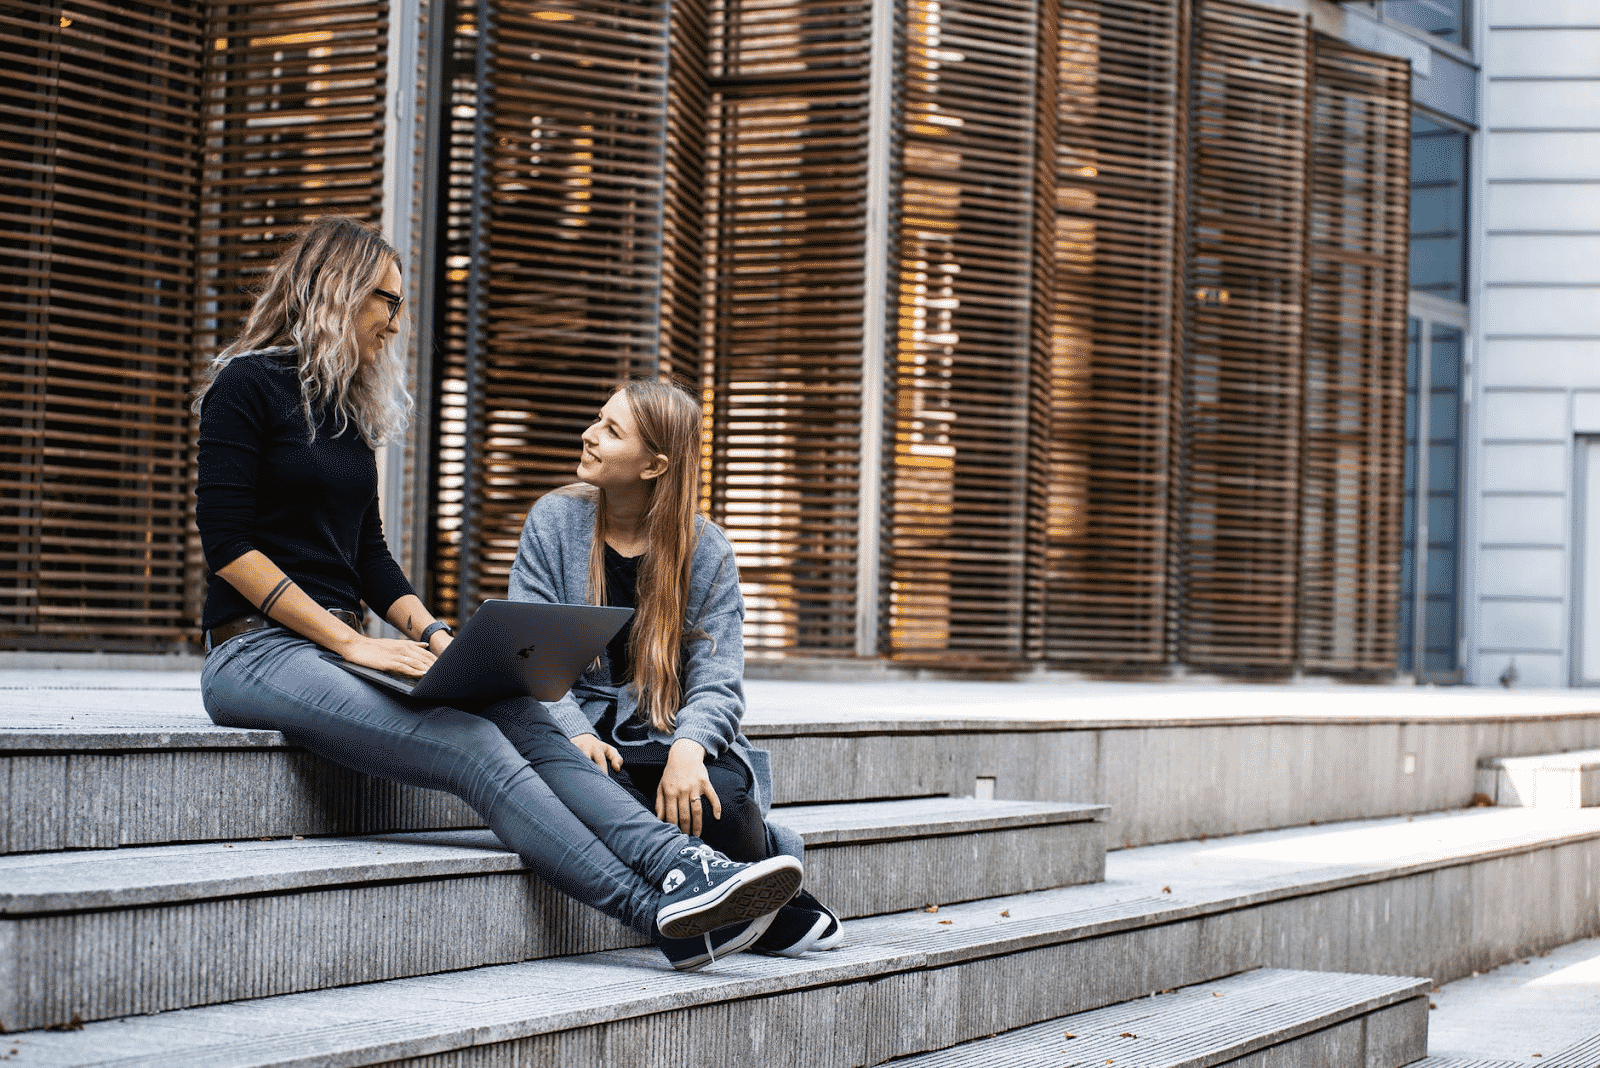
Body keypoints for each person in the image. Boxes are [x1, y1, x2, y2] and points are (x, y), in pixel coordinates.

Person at [193, 216, 801, 972]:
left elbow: (372, 558)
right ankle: (659, 914)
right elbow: (228, 548)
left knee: (517, 706)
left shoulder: (345, 414)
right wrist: (351, 640)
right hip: (256, 653)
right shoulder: (244, 386)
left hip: (338, 649)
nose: (396, 318)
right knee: (474, 745)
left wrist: (445, 643)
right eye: (388, 299)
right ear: (339, 291)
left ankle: (683, 866)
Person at [507, 377, 843, 966]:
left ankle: (745, 889)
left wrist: (689, 749)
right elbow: (530, 651)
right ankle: (772, 911)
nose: (588, 436)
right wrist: (574, 731)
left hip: (665, 727)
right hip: (582, 727)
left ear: (654, 465)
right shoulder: (554, 520)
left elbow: (719, 676)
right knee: (599, 791)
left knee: (723, 797)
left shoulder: (705, 547)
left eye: (611, 431)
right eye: (597, 419)